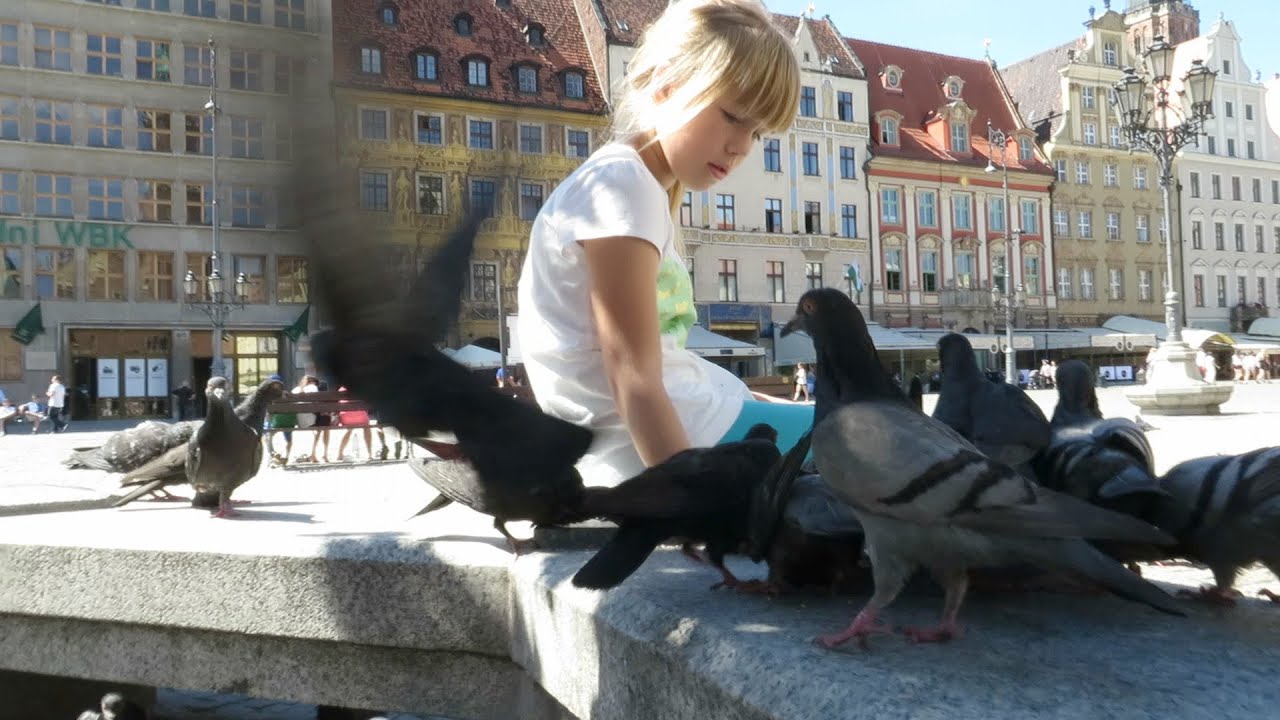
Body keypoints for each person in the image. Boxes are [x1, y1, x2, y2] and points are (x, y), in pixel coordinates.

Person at [516, 0, 807, 488]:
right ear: (667, 83)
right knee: (886, 440)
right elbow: (634, 378)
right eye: (734, 116)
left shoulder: (637, 185)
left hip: (687, 427)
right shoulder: (622, 188)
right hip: (670, 446)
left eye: (758, 132)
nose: (742, 147)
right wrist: (683, 501)